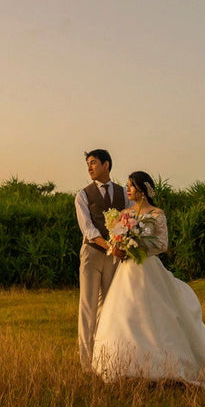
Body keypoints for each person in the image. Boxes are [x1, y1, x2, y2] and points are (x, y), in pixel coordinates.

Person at [91, 171, 205, 385]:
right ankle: (124, 363)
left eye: (131, 185)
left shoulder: (156, 213)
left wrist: (139, 245)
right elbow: (116, 239)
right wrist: (119, 247)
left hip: (147, 267)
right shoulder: (125, 213)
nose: (127, 189)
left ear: (143, 190)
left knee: (155, 314)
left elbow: (162, 244)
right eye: (127, 185)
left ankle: (162, 361)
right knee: (125, 314)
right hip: (126, 270)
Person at [75, 148, 129, 370]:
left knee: (108, 305)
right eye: (87, 163)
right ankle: (87, 363)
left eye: (93, 162)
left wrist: (119, 245)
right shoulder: (83, 195)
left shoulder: (123, 192)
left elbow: (127, 220)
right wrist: (108, 246)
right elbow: (87, 229)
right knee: (88, 306)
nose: (89, 167)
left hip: (114, 256)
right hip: (92, 254)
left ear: (106, 165)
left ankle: (105, 356)